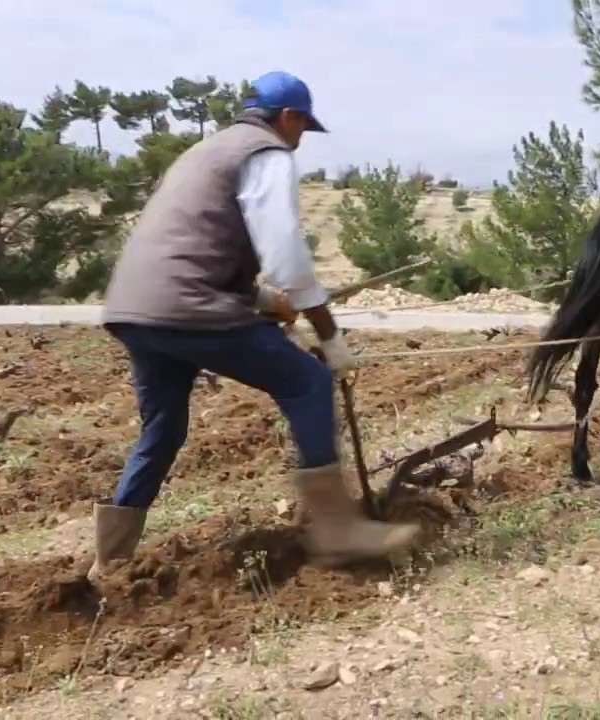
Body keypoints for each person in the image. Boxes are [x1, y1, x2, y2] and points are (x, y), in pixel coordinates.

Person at [90, 70, 420, 580]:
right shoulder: (267, 154)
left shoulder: (205, 152)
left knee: (163, 428)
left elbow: (195, 248)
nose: (301, 139)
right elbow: (286, 255)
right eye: (303, 127)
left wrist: (262, 299)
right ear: (289, 117)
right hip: (189, 307)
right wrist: (330, 336)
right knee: (307, 381)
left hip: (136, 311)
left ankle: (111, 558)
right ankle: (336, 531)